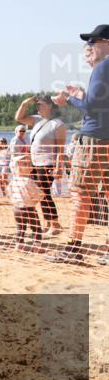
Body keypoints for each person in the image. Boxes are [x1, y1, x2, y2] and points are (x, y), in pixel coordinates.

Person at [51, 24, 109, 264]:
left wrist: (71, 99)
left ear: (107, 43)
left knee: (80, 194)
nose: (88, 47)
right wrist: (82, 95)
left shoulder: (103, 67)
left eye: (93, 42)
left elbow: (93, 109)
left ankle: (73, 248)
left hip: (94, 140)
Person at [15, 94, 66, 237]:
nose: (38, 107)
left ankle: (55, 224)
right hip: (35, 163)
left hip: (48, 163)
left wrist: (58, 167)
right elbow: (19, 118)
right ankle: (48, 223)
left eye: (41, 104)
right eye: (37, 105)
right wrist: (25, 102)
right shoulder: (37, 120)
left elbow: (61, 149)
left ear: (50, 106)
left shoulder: (58, 124)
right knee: (39, 194)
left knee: (44, 194)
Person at [8, 155, 44, 253]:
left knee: (20, 227)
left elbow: (10, 193)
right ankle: (37, 246)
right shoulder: (28, 181)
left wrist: (15, 202)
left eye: (29, 163)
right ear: (17, 168)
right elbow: (39, 194)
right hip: (29, 209)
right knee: (36, 228)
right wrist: (36, 200)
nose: (29, 165)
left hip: (17, 209)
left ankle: (19, 245)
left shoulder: (13, 181)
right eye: (25, 164)